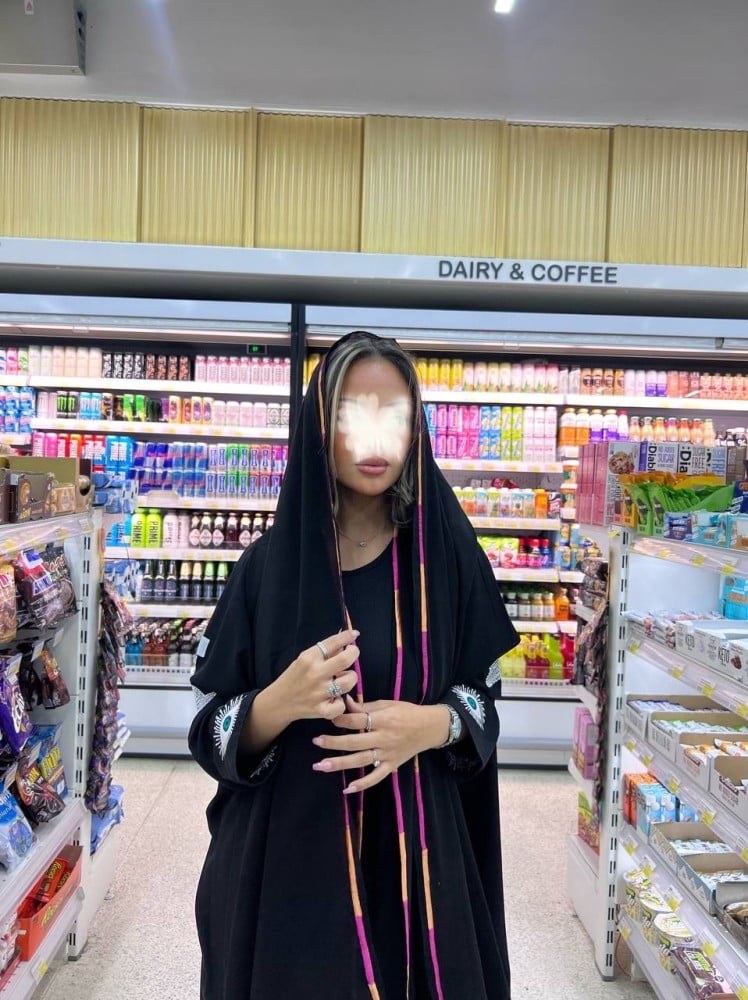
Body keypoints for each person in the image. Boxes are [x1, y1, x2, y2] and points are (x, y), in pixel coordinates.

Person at [189, 331, 518, 1000]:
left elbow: (485, 697)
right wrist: (276, 703)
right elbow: (209, 726)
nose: (375, 439)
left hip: (419, 864)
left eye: (394, 415)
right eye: (352, 415)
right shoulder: (266, 570)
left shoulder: (447, 562)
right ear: (319, 425)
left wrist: (430, 726)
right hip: (289, 871)